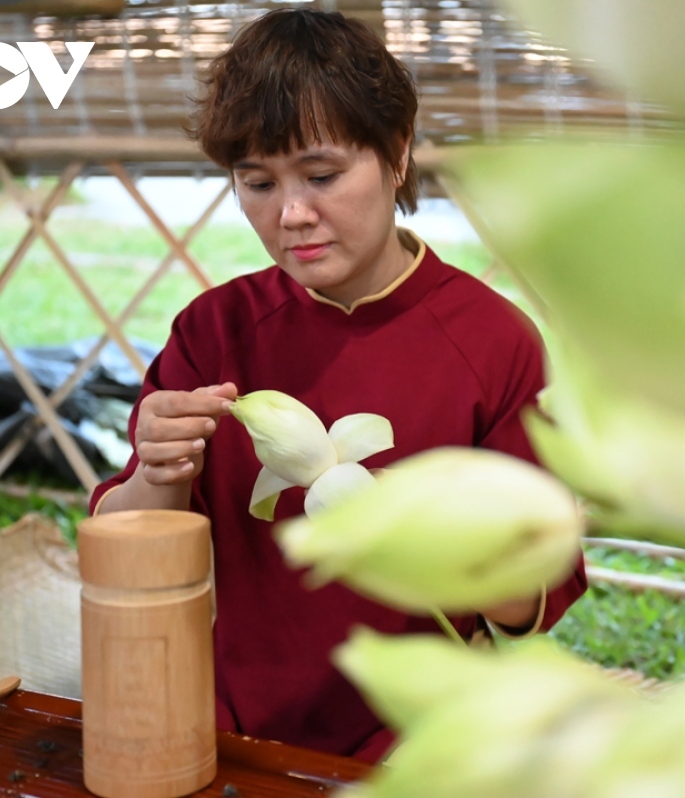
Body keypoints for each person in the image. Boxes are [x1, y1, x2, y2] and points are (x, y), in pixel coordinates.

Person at [89, 8, 588, 762]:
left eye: (322, 175)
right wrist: (158, 468)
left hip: (419, 748)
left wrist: (438, 541)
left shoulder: (492, 344)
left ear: (396, 152)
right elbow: (125, 543)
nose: (291, 214)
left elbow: (533, 598)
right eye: (256, 183)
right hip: (228, 732)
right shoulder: (214, 332)